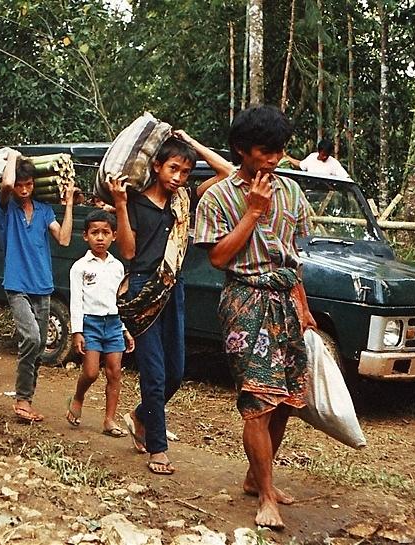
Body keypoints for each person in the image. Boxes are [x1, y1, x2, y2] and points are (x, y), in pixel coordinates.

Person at [194, 105, 316, 529]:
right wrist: (253, 213)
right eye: (265, 151)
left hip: (285, 301)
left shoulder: (293, 194)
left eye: (279, 151)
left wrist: (303, 305)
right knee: (257, 401)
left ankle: (255, 478)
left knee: (285, 399)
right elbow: (217, 257)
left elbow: (294, 257)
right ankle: (266, 496)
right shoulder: (218, 197)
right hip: (244, 300)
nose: (274, 160)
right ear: (242, 150)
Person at [111, 130, 231, 476]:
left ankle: (138, 416)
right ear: (156, 166)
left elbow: (227, 174)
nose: (178, 178)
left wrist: (191, 143)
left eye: (185, 172)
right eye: (173, 169)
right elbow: (130, 252)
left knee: (176, 373)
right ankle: (157, 448)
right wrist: (119, 204)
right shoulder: (134, 202)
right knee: (154, 371)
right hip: (143, 291)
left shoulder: (183, 200)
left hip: (173, 289)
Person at [0, 150, 75, 422]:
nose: (24, 189)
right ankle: (21, 398)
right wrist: (14, 158)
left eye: (29, 185)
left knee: (38, 349)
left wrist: (71, 203)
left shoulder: (44, 211)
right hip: (17, 284)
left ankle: (26, 401)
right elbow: (5, 185)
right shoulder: (5, 208)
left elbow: (63, 239)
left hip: (43, 285)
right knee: (31, 338)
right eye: (20, 185)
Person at [65, 209, 135, 437]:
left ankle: (109, 420)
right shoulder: (80, 267)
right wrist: (77, 331)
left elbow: (119, 300)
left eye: (105, 232)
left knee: (114, 373)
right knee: (92, 372)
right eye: (95, 232)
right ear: (85, 236)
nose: (100, 237)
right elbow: (76, 301)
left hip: (114, 324)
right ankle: (78, 396)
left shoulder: (117, 267)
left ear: (114, 235)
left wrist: (125, 329)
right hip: (90, 324)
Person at [284, 138, 349, 178]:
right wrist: (286, 157)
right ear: (318, 151)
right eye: (323, 154)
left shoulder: (334, 163)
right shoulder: (312, 157)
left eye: (327, 155)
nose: (325, 157)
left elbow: (345, 177)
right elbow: (300, 164)